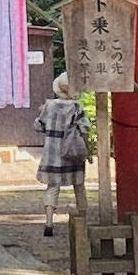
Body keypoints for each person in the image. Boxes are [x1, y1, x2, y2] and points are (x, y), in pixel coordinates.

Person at [34, 72, 89, 237]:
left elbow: (38, 126)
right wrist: (86, 147)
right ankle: (83, 220)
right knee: (79, 186)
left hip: (52, 153)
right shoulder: (77, 107)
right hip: (72, 152)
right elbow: (85, 128)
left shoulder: (49, 107)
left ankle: (49, 222)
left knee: (52, 187)